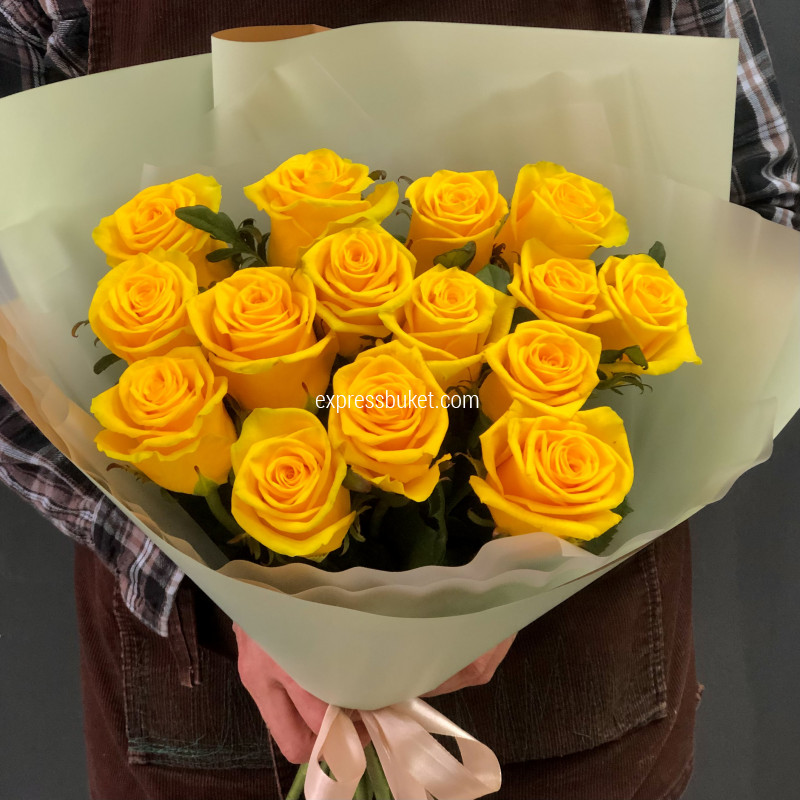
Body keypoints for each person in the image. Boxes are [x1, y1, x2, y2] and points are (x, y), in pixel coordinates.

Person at [0, 2, 797, 799]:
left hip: (576, 694)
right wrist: (204, 579)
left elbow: (766, 223)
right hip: (215, 708)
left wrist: (523, 563)